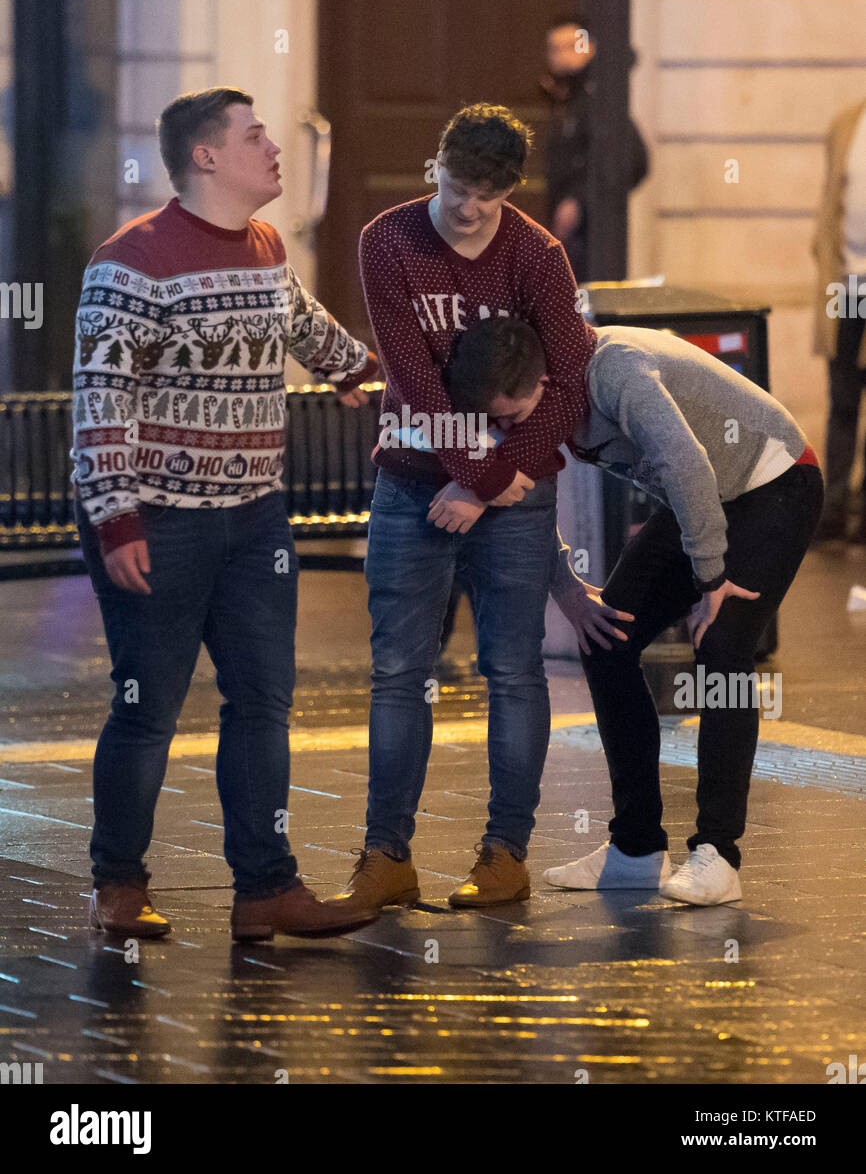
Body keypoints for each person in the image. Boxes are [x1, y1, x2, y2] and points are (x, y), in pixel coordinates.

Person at [72, 86, 379, 942]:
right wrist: (116, 518)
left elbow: (295, 320)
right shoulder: (129, 261)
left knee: (261, 702)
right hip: (158, 520)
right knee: (147, 705)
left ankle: (266, 888)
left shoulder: (266, 244)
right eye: (254, 137)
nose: (274, 148)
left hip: (252, 516)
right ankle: (118, 885)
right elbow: (101, 398)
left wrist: (352, 370)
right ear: (205, 157)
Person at [445, 315, 823, 906]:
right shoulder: (536, 401)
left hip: (774, 481)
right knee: (607, 637)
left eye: (512, 417)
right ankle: (636, 850)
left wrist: (711, 577)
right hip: (700, 496)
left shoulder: (616, 370)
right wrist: (569, 589)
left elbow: (686, 462)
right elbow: (531, 499)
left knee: (722, 647)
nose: (507, 430)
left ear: (547, 383)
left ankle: (719, 855)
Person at [332, 103, 597, 912]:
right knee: (398, 673)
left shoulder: (538, 255)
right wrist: (479, 476)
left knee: (513, 671)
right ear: (435, 165)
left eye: (488, 194)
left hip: (508, 494)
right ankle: (386, 856)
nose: (469, 207)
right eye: (456, 185)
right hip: (416, 482)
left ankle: (506, 855)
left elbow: (570, 384)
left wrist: (485, 483)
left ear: (511, 190)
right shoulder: (389, 240)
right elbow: (410, 379)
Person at [542, 16, 648, 282]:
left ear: (589, 48)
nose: (560, 56)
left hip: (592, 234)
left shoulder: (596, 98)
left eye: (570, 46)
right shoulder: (566, 97)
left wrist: (579, 201)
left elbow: (633, 159)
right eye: (554, 49)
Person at [811, 95, 866, 542]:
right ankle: (832, 511)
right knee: (842, 396)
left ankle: (864, 514)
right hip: (846, 284)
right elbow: (831, 200)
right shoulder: (848, 121)